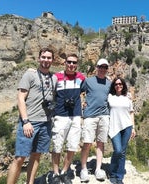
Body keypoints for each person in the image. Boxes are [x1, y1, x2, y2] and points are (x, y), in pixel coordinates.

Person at [7, 48, 57, 184]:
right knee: (20, 158)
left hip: (45, 123)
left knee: (36, 156)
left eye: (49, 58)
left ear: (53, 60)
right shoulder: (30, 75)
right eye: (44, 57)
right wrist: (26, 121)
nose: (46, 60)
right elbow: (20, 98)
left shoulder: (54, 78)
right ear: (39, 58)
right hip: (30, 122)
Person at [50, 54, 86, 184]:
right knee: (57, 146)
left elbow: (91, 87)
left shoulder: (81, 78)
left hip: (76, 116)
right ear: (65, 63)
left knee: (72, 146)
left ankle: (64, 172)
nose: (71, 64)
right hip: (60, 116)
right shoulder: (57, 77)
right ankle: (55, 173)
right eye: (69, 62)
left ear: (77, 64)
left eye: (74, 62)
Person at [80, 58, 111, 182]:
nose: (102, 69)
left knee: (100, 143)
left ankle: (98, 169)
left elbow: (117, 93)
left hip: (104, 116)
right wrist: (82, 103)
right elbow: (77, 91)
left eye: (105, 67)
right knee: (87, 143)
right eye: (100, 67)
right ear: (96, 67)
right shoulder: (88, 81)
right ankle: (83, 169)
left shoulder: (109, 83)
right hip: (90, 116)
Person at [108, 77, 136, 184]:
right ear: (113, 86)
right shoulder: (110, 96)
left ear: (123, 85)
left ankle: (119, 177)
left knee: (123, 153)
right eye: (116, 84)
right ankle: (113, 173)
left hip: (127, 127)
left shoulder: (128, 98)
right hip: (114, 127)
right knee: (118, 150)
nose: (118, 85)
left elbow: (131, 112)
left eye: (120, 84)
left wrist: (133, 127)